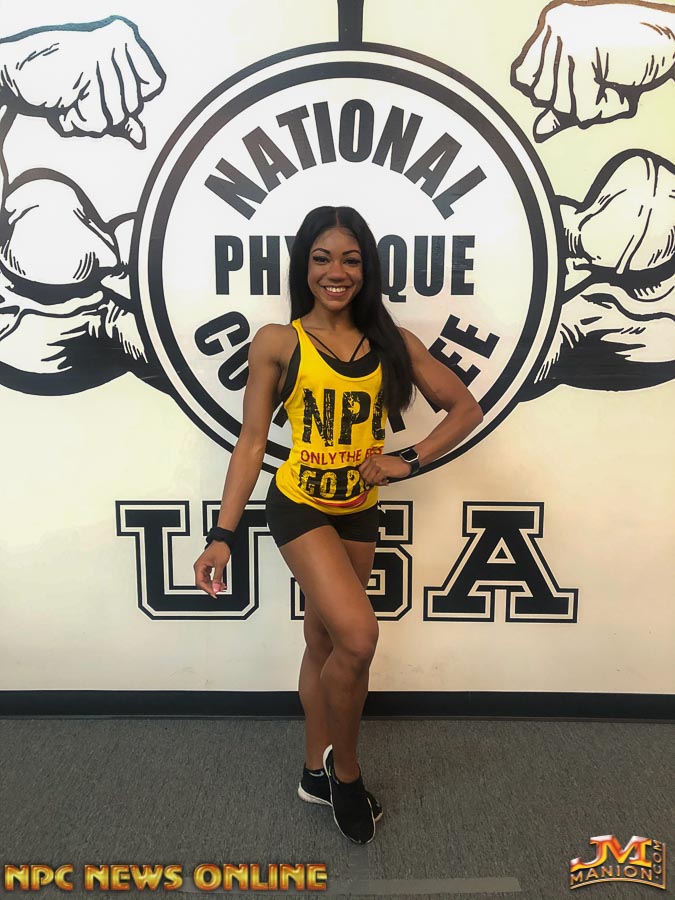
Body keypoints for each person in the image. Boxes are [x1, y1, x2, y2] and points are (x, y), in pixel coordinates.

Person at [193, 206, 483, 844]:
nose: (337, 271)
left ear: (367, 269)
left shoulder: (392, 343)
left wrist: (408, 459)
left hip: (358, 508)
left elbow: (465, 407)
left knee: (325, 643)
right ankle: (345, 775)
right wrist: (222, 534)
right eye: (322, 258)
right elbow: (251, 443)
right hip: (298, 503)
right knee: (359, 638)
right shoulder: (279, 342)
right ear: (304, 266)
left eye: (351, 260)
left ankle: (310, 771)